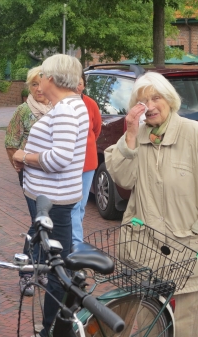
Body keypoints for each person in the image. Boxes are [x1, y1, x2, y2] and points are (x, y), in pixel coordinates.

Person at [105, 72, 198, 337]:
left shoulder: (193, 134)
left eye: (156, 97)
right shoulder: (137, 137)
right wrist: (131, 135)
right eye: (143, 100)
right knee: (149, 323)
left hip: (186, 248)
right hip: (144, 246)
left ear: (170, 99)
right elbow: (123, 178)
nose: (150, 105)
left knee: (187, 324)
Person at [12, 54, 88, 337]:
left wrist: (25, 156)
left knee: (58, 268)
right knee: (56, 262)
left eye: (42, 75)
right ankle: (53, 325)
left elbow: (59, 159)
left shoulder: (66, 110)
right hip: (52, 197)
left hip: (53, 200)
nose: (39, 80)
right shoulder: (67, 106)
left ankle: (52, 328)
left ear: (52, 79)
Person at [5, 66, 52, 296]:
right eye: (34, 84)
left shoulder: (56, 109)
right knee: (37, 222)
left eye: (41, 83)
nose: (38, 88)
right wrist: (19, 165)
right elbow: (10, 141)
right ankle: (26, 273)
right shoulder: (23, 110)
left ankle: (41, 268)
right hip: (32, 174)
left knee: (47, 222)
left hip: (53, 175)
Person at [71, 73, 102, 245]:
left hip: (88, 164)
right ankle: (76, 242)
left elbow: (96, 130)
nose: (77, 86)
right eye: (74, 82)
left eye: (80, 83)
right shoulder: (63, 105)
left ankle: (74, 236)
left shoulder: (90, 104)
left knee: (80, 206)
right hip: (69, 164)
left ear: (84, 85)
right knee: (74, 206)